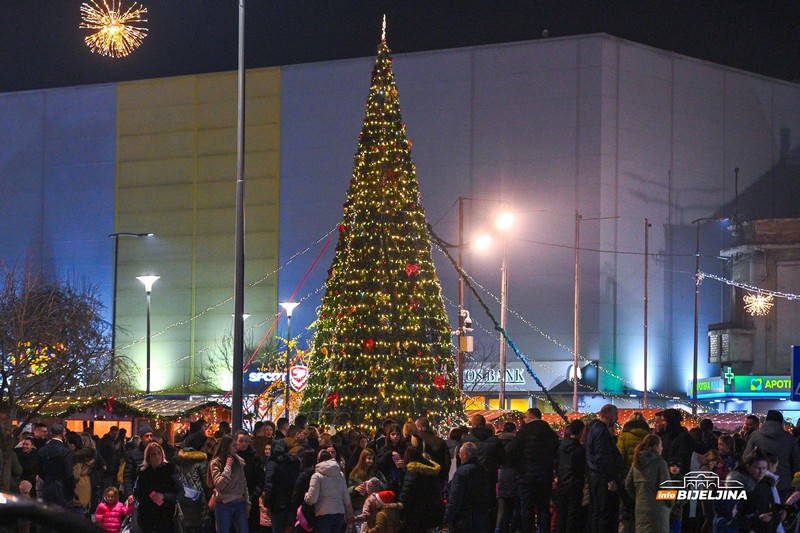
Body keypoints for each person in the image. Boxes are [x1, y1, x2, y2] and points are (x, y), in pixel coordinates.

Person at [505, 407, 559, 533]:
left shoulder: (524, 432)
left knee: (527, 508)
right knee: (543, 508)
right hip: (545, 476)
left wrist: (518, 465)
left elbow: (510, 451)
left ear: (531, 417)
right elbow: (556, 453)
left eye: (525, 417)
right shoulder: (550, 433)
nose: (524, 419)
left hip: (526, 476)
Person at [715, 448, 781, 533]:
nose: (761, 472)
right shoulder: (737, 485)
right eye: (757, 468)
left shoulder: (766, 484)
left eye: (764, 468)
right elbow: (731, 518)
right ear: (748, 466)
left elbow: (771, 508)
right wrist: (755, 520)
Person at [744, 410, 800, 502]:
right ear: (780, 422)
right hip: (783, 483)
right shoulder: (790, 439)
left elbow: (746, 458)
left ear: (766, 420)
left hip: (760, 482)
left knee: (762, 512)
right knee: (782, 512)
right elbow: (796, 463)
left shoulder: (755, 436)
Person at [586, 404, 623, 533]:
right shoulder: (602, 431)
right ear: (608, 415)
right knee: (604, 512)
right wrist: (610, 479)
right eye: (615, 415)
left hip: (595, 477)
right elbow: (603, 457)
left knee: (597, 511)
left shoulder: (595, 429)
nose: (617, 419)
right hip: (602, 478)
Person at [130, 442, 181, 533]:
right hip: (147, 516)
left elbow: (179, 492)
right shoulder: (143, 473)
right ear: (148, 457)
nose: (157, 456)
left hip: (166, 516)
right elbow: (138, 492)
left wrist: (163, 496)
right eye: (153, 454)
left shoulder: (170, 470)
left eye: (159, 453)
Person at [624, 434, 671, 533]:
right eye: (660, 445)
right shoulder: (660, 463)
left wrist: (638, 498)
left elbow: (628, 485)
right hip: (658, 510)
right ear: (654, 447)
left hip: (640, 508)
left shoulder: (636, 463)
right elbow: (666, 487)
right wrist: (671, 503)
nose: (662, 448)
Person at [442, 441, 492, 533]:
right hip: (480, 517)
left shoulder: (461, 472)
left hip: (464, 518)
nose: (459, 456)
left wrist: (447, 518)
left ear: (465, 455)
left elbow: (455, 498)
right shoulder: (483, 470)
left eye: (460, 454)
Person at [398, 438, 444, 532]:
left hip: (413, 512)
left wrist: (400, 506)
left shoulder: (412, 471)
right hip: (428, 511)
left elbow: (406, 493)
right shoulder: (432, 470)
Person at [304, 449, 355, 533]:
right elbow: (346, 497)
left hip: (323, 514)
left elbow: (312, 499)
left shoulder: (317, 476)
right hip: (339, 513)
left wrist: (306, 496)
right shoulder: (340, 474)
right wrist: (350, 515)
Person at [208, 434, 251, 533]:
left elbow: (243, 483)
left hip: (239, 501)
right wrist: (227, 467)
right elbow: (219, 485)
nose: (237, 448)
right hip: (224, 503)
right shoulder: (216, 462)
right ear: (227, 446)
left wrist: (247, 502)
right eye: (234, 445)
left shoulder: (238, 460)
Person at [261, 438, 301, 533]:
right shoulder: (294, 462)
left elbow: (269, 485)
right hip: (291, 503)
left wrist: (267, 504)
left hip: (276, 505)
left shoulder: (272, 462)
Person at [174, 436, 212, 533]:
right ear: (200, 446)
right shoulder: (201, 461)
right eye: (206, 445)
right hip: (199, 500)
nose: (208, 448)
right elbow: (206, 484)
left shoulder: (180, 458)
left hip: (183, 497)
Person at [555, 419, 586, 533]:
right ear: (581, 431)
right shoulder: (579, 449)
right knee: (573, 515)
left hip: (562, 483)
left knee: (561, 515)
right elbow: (580, 467)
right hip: (575, 484)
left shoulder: (562, 445)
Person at [235, 430, 266, 532]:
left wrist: (253, 496)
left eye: (246, 441)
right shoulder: (231, 457)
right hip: (233, 498)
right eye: (241, 441)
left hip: (251, 499)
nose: (244, 444)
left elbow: (261, 480)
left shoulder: (254, 457)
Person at [37, 423, 75, 508]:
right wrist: (72, 486)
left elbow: (39, 470)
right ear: (63, 433)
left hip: (47, 484)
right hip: (62, 487)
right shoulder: (65, 451)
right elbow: (69, 473)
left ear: (51, 433)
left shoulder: (42, 450)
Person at [495, 422, 519, 533]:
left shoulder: (497, 442)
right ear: (514, 431)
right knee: (515, 508)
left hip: (501, 476)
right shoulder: (518, 442)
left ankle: (500, 529)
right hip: (515, 476)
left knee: (502, 508)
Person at [348, 449, 387, 515]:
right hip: (359, 506)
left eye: (372, 459)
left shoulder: (377, 472)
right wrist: (354, 489)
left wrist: (378, 483)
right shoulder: (355, 473)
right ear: (363, 459)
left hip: (374, 506)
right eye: (369, 458)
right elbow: (347, 490)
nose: (371, 461)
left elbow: (385, 486)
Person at [375, 424, 406, 494]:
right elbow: (378, 464)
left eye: (397, 434)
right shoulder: (384, 449)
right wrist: (389, 453)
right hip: (388, 480)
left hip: (401, 481)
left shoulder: (404, 448)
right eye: (393, 434)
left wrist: (404, 464)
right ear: (389, 435)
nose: (395, 436)